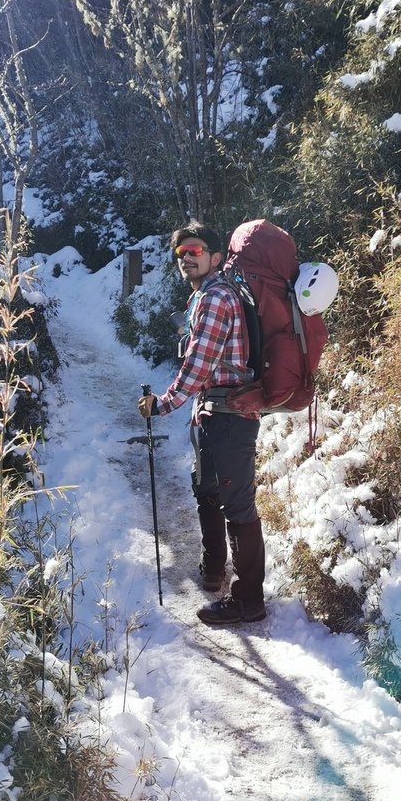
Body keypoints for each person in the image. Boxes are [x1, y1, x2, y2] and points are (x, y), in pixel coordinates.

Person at [137, 222, 266, 626]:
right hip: (213, 413)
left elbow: (197, 366)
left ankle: (248, 601)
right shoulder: (204, 297)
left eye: (195, 250)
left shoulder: (215, 299)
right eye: (181, 253)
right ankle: (214, 569)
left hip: (229, 418)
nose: (187, 257)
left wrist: (163, 404)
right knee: (207, 490)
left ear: (215, 256)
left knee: (239, 506)